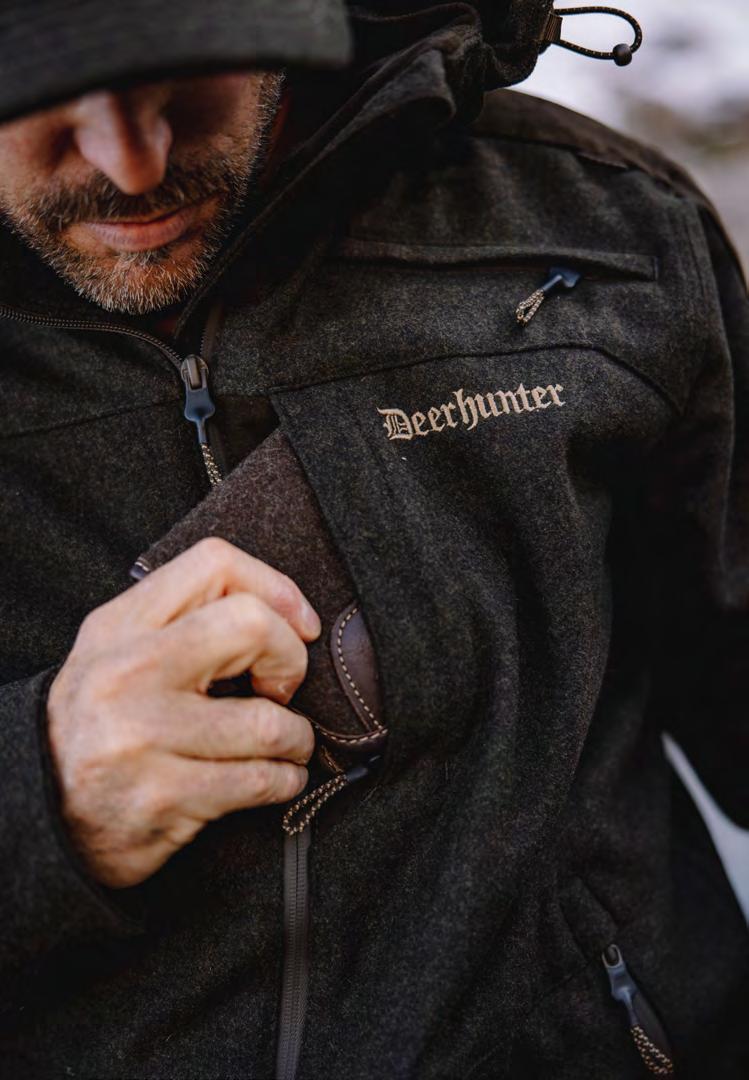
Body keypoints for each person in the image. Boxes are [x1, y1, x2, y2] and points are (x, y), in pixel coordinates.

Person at [0, 2, 747, 1077]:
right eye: (35, 94)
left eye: (185, 63)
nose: (131, 162)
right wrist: (41, 802)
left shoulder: (601, 225)